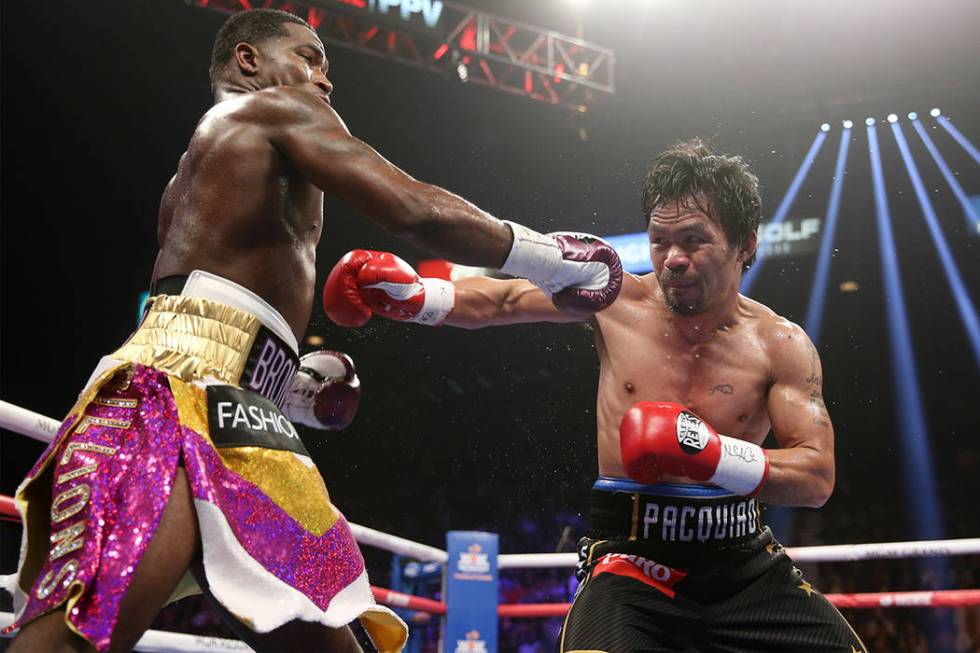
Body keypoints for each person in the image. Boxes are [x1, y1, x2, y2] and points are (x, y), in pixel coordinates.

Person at [3, 9, 622, 653]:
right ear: (249, 61)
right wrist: (551, 259)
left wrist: (288, 384)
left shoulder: (205, 164)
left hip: (244, 413)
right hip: (178, 399)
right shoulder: (274, 109)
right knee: (78, 638)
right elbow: (413, 211)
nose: (325, 80)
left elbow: (206, 306)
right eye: (311, 56)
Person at [325, 139, 868, 652]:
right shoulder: (616, 299)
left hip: (743, 565)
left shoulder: (781, 344)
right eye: (660, 240)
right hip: (631, 563)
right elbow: (505, 301)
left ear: (745, 244)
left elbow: (816, 477)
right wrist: (417, 296)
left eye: (694, 239)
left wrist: (714, 456)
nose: (672, 257)